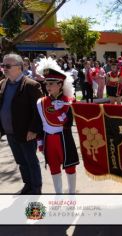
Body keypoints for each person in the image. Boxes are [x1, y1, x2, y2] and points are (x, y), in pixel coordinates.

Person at [0, 53, 43, 194]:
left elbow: (39, 111)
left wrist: (34, 130)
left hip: (26, 132)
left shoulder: (31, 85)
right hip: (10, 132)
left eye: (7, 66)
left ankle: (36, 189)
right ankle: (28, 185)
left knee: (31, 161)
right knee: (21, 162)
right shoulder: (3, 83)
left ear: (19, 67)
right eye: (3, 65)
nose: (4, 68)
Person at [36, 58, 79, 194]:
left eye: (51, 83)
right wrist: (40, 143)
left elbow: (67, 123)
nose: (48, 86)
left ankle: (72, 193)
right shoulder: (41, 102)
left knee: (70, 167)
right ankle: (58, 194)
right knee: (54, 168)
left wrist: (61, 110)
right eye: (46, 83)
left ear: (60, 84)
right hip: (49, 139)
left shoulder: (69, 101)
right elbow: (39, 125)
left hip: (64, 138)